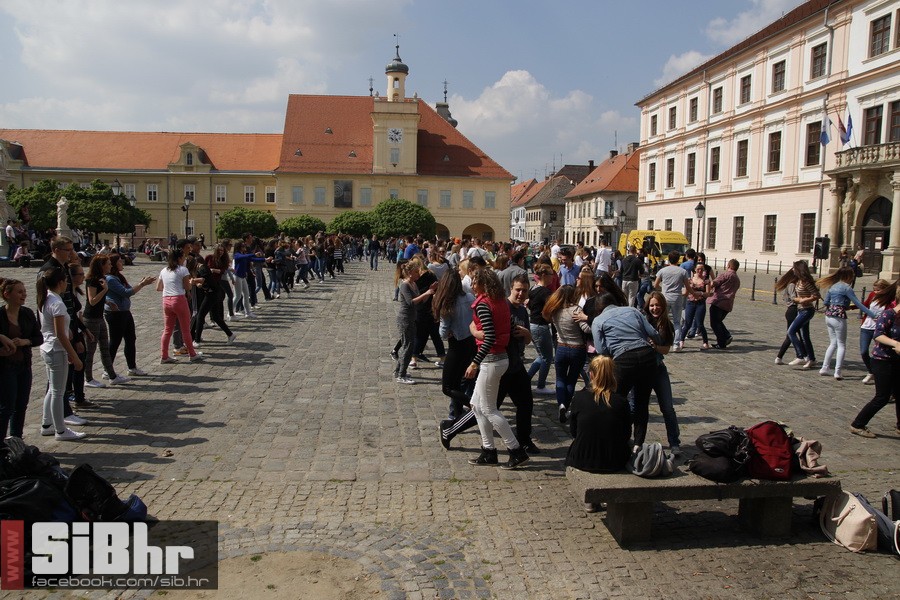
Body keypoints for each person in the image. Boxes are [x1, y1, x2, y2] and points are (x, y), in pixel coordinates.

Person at [465, 268, 529, 469]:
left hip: (491, 361)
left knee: (490, 409)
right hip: (501, 359)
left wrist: (474, 359)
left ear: (483, 284)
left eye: (474, 282)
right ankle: (488, 451)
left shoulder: (484, 304)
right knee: (476, 405)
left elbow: (490, 336)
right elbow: (507, 328)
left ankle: (516, 451)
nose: (472, 285)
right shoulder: (501, 302)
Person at [591, 292, 661, 448]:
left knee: (616, 400)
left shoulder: (598, 320)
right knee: (642, 403)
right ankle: (638, 444)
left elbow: (601, 350)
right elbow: (653, 333)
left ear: (599, 308)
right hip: (647, 356)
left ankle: (618, 438)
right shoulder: (633, 310)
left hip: (623, 359)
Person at [37, 268, 85, 441]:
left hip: (49, 348)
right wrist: (74, 356)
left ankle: (47, 423)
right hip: (56, 349)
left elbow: (60, 329)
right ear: (60, 283)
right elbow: (60, 334)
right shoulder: (56, 302)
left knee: (53, 389)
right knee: (58, 391)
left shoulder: (47, 298)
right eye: (65, 280)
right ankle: (61, 430)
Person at [849, 281, 900, 438]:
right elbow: (878, 334)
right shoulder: (889, 314)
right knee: (882, 397)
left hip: (897, 361)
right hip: (882, 361)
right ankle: (857, 424)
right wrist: (895, 343)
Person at [565, 355, 632, 474]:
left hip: (581, 457)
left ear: (591, 375)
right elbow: (625, 435)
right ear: (613, 375)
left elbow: (574, 431)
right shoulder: (621, 401)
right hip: (613, 460)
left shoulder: (579, 397)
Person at [542, 285, 590, 423]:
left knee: (560, 379)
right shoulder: (576, 310)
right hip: (577, 349)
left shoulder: (555, 310)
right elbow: (585, 329)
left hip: (561, 348)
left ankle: (561, 404)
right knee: (572, 379)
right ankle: (566, 405)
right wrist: (590, 320)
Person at [816, 266, 875, 380]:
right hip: (839, 317)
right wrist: (873, 315)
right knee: (841, 344)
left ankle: (825, 367)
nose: (853, 277)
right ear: (848, 276)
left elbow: (827, 301)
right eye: (852, 275)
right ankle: (837, 371)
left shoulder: (833, 286)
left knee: (832, 343)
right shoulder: (846, 288)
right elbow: (858, 304)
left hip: (829, 316)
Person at [0, 278, 40, 439]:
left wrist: (26, 341)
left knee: (21, 405)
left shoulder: (27, 313)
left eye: (24, 291)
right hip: (5, 367)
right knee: (6, 406)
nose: (24, 294)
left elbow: (38, 338)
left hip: (24, 365)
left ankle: (17, 440)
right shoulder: (0, 315)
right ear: (7, 294)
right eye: (19, 292)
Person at [105, 252, 155, 375]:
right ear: (113, 265)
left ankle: (132, 367)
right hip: (115, 313)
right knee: (115, 341)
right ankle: (107, 369)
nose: (122, 263)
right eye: (119, 261)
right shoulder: (110, 279)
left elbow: (129, 289)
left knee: (131, 339)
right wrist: (142, 284)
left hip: (125, 312)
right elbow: (126, 292)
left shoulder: (119, 277)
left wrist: (141, 283)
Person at [644, 292, 681, 454]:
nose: (654, 308)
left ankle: (674, 442)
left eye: (657, 305)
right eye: (652, 305)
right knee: (636, 408)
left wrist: (654, 347)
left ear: (663, 306)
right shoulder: (642, 321)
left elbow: (665, 350)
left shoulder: (667, 324)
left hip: (658, 369)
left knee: (667, 407)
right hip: (642, 370)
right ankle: (633, 441)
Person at [83, 254, 124, 387]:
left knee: (105, 348)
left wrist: (108, 301)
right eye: (108, 263)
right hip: (91, 319)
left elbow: (98, 299)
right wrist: (105, 290)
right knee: (90, 350)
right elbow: (92, 301)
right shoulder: (92, 280)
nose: (111, 265)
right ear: (101, 265)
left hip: (99, 318)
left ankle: (112, 376)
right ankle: (88, 378)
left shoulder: (103, 278)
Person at [157, 248, 203, 364]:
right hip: (179, 300)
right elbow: (187, 287)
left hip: (166, 300)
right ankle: (192, 354)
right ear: (179, 258)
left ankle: (164, 355)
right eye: (183, 257)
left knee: (167, 329)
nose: (184, 259)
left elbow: (158, 287)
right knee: (185, 330)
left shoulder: (164, 270)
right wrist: (191, 283)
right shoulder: (183, 270)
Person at [394, 260, 436, 384]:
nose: (419, 274)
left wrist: (430, 290)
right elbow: (411, 302)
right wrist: (427, 293)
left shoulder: (414, 284)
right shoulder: (405, 285)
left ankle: (399, 371)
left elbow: (421, 301)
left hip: (412, 318)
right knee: (408, 347)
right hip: (405, 319)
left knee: (408, 346)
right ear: (410, 272)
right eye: (416, 272)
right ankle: (401, 374)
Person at [774, 260, 819, 369]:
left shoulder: (806, 282)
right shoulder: (798, 281)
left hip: (806, 310)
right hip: (800, 309)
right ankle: (811, 359)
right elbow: (794, 297)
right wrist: (797, 299)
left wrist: (803, 300)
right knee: (804, 336)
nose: (792, 269)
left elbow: (816, 295)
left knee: (791, 332)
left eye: (794, 268)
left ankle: (800, 355)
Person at [526, 264, 555, 395]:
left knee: (542, 356)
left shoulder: (534, 289)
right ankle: (541, 385)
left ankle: (525, 380)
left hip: (533, 324)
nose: (552, 277)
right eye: (550, 274)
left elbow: (530, 305)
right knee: (547, 358)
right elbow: (550, 309)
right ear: (544, 276)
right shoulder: (545, 292)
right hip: (540, 326)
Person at [654, 250, 690, 351]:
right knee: (677, 322)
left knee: (662, 320)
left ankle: (661, 339)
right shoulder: (682, 271)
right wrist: (692, 293)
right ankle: (676, 344)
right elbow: (687, 286)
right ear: (678, 259)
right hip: (677, 297)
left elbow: (655, 285)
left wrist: (662, 289)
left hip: (665, 297)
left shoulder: (663, 271)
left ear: (668, 259)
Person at [859, 279, 892, 385]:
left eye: (878, 290)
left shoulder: (889, 299)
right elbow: (865, 305)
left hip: (880, 328)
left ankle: (880, 374)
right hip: (867, 326)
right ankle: (871, 371)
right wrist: (851, 306)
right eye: (874, 290)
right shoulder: (873, 295)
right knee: (863, 351)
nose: (875, 292)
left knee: (879, 353)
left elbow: (890, 312)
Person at [708, 259, 741, 349]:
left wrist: (707, 284)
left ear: (729, 266)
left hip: (719, 301)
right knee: (718, 321)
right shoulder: (737, 279)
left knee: (714, 323)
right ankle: (726, 336)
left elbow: (714, 282)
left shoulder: (726, 275)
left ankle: (721, 342)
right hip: (728, 303)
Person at [682, 262, 711, 349]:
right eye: (698, 269)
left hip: (700, 304)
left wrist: (701, 293)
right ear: (695, 269)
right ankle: (681, 341)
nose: (700, 271)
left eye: (702, 269)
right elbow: (686, 293)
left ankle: (705, 342)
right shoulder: (690, 280)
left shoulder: (706, 281)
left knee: (700, 324)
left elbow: (708, 294)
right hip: (690, 303)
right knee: (687, 323)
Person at [620, 243, 645, 307]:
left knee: (624, 298)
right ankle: (630, 311)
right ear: (635, 251)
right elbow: (642, 271)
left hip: (624, 280)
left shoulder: (624, 260)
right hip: (633, 280)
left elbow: (621, 271)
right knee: (632, 297)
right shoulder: (637, 260)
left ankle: (624, 310)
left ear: (629, 251)